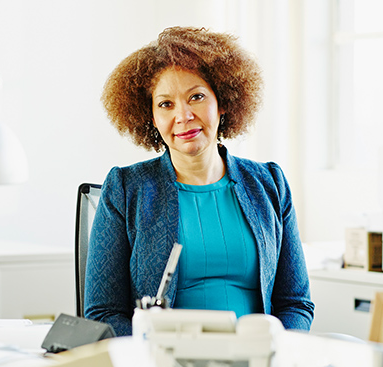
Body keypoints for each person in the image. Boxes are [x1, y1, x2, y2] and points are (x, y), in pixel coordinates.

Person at [84, 26, 314, 337]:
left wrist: (274, 354)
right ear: (151, 116)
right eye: (166, 104)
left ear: (222, 102)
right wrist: (163, 358)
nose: (183, 115)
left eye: (196, 97)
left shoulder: (270, 184)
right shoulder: (126, 189)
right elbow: (103, 312)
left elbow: (295, 303)